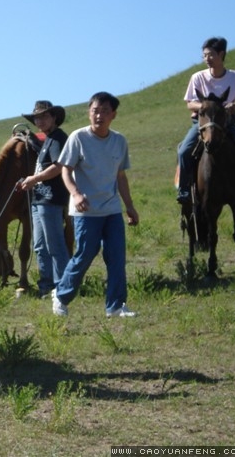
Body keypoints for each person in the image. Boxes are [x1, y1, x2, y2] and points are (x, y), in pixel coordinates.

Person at [51, 92, 139, 318]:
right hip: (85, 210)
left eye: (105, 111)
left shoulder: (119, 141)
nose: (99, 115)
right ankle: (61, 295)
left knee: (117, 256)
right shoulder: (78, 138)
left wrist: (129, 206)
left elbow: (120, 176)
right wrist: (76, 194)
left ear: (114, 115)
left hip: (111, 210)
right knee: (86, 254)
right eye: (95, 110)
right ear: (89, 112)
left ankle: (116, 306)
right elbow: (65, 170)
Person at [176, 37, 235, 204]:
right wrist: (204, 108)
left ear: (221, 54)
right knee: (183, 151)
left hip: (227, 124)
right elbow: (190, 103)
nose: (207, 59)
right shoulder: (197, 78)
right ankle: (184, 190)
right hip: (202, 125)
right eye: (204, 56)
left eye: (210, 55)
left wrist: (234, 107)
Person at [16, 101, 70, 298]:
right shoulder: (47, 140)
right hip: (39, 199)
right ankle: (46, 286)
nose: (40, 121)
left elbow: (58, 166)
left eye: (44, 116)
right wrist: (27, 181)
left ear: (54, 117)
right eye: (37, 118)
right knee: (40, 245)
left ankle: (62, 286)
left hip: (52, 198)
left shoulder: (58, 138)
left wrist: (34, 179)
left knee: (54, 244)